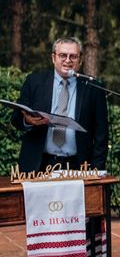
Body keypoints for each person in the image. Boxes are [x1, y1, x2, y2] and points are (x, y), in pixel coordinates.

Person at [11, 37, 108, 172]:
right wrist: (27, 121)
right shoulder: (34, 81)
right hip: (38, 165)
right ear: (53, 58)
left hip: (78, 166)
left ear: (80, 60)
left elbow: (101, 135)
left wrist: (97, 170)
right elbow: (16, 119)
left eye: (73, 56)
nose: (67, 60)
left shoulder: (93, 88)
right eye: (63, 55)